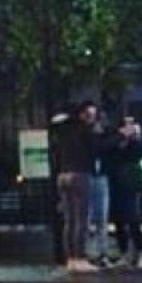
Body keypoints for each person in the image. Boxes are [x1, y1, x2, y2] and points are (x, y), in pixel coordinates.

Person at [52, 104, 93, 271]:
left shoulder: (62, 132)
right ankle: (80, 257)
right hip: (79, 174)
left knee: (69, 220)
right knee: (81, 219)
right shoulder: (83, 130)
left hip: (63, 175)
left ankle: (69, 258)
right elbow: (94, 148)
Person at [109, 115, 142, 268]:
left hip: (130, 183)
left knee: (132, 218)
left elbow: (140, 153)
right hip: (116, 183)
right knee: (118, 219)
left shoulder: (136, 143)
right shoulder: (116, 141)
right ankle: (124, 252)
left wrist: (135, 139)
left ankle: (140, 252)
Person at [81, 102, 113, 266]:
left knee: (102, 218)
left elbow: (108, 147)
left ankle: (102, 253)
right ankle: (88, 253)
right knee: (87, 217)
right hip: (88, 176)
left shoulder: (104, 136)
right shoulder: (85, 136)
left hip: (100, 176)